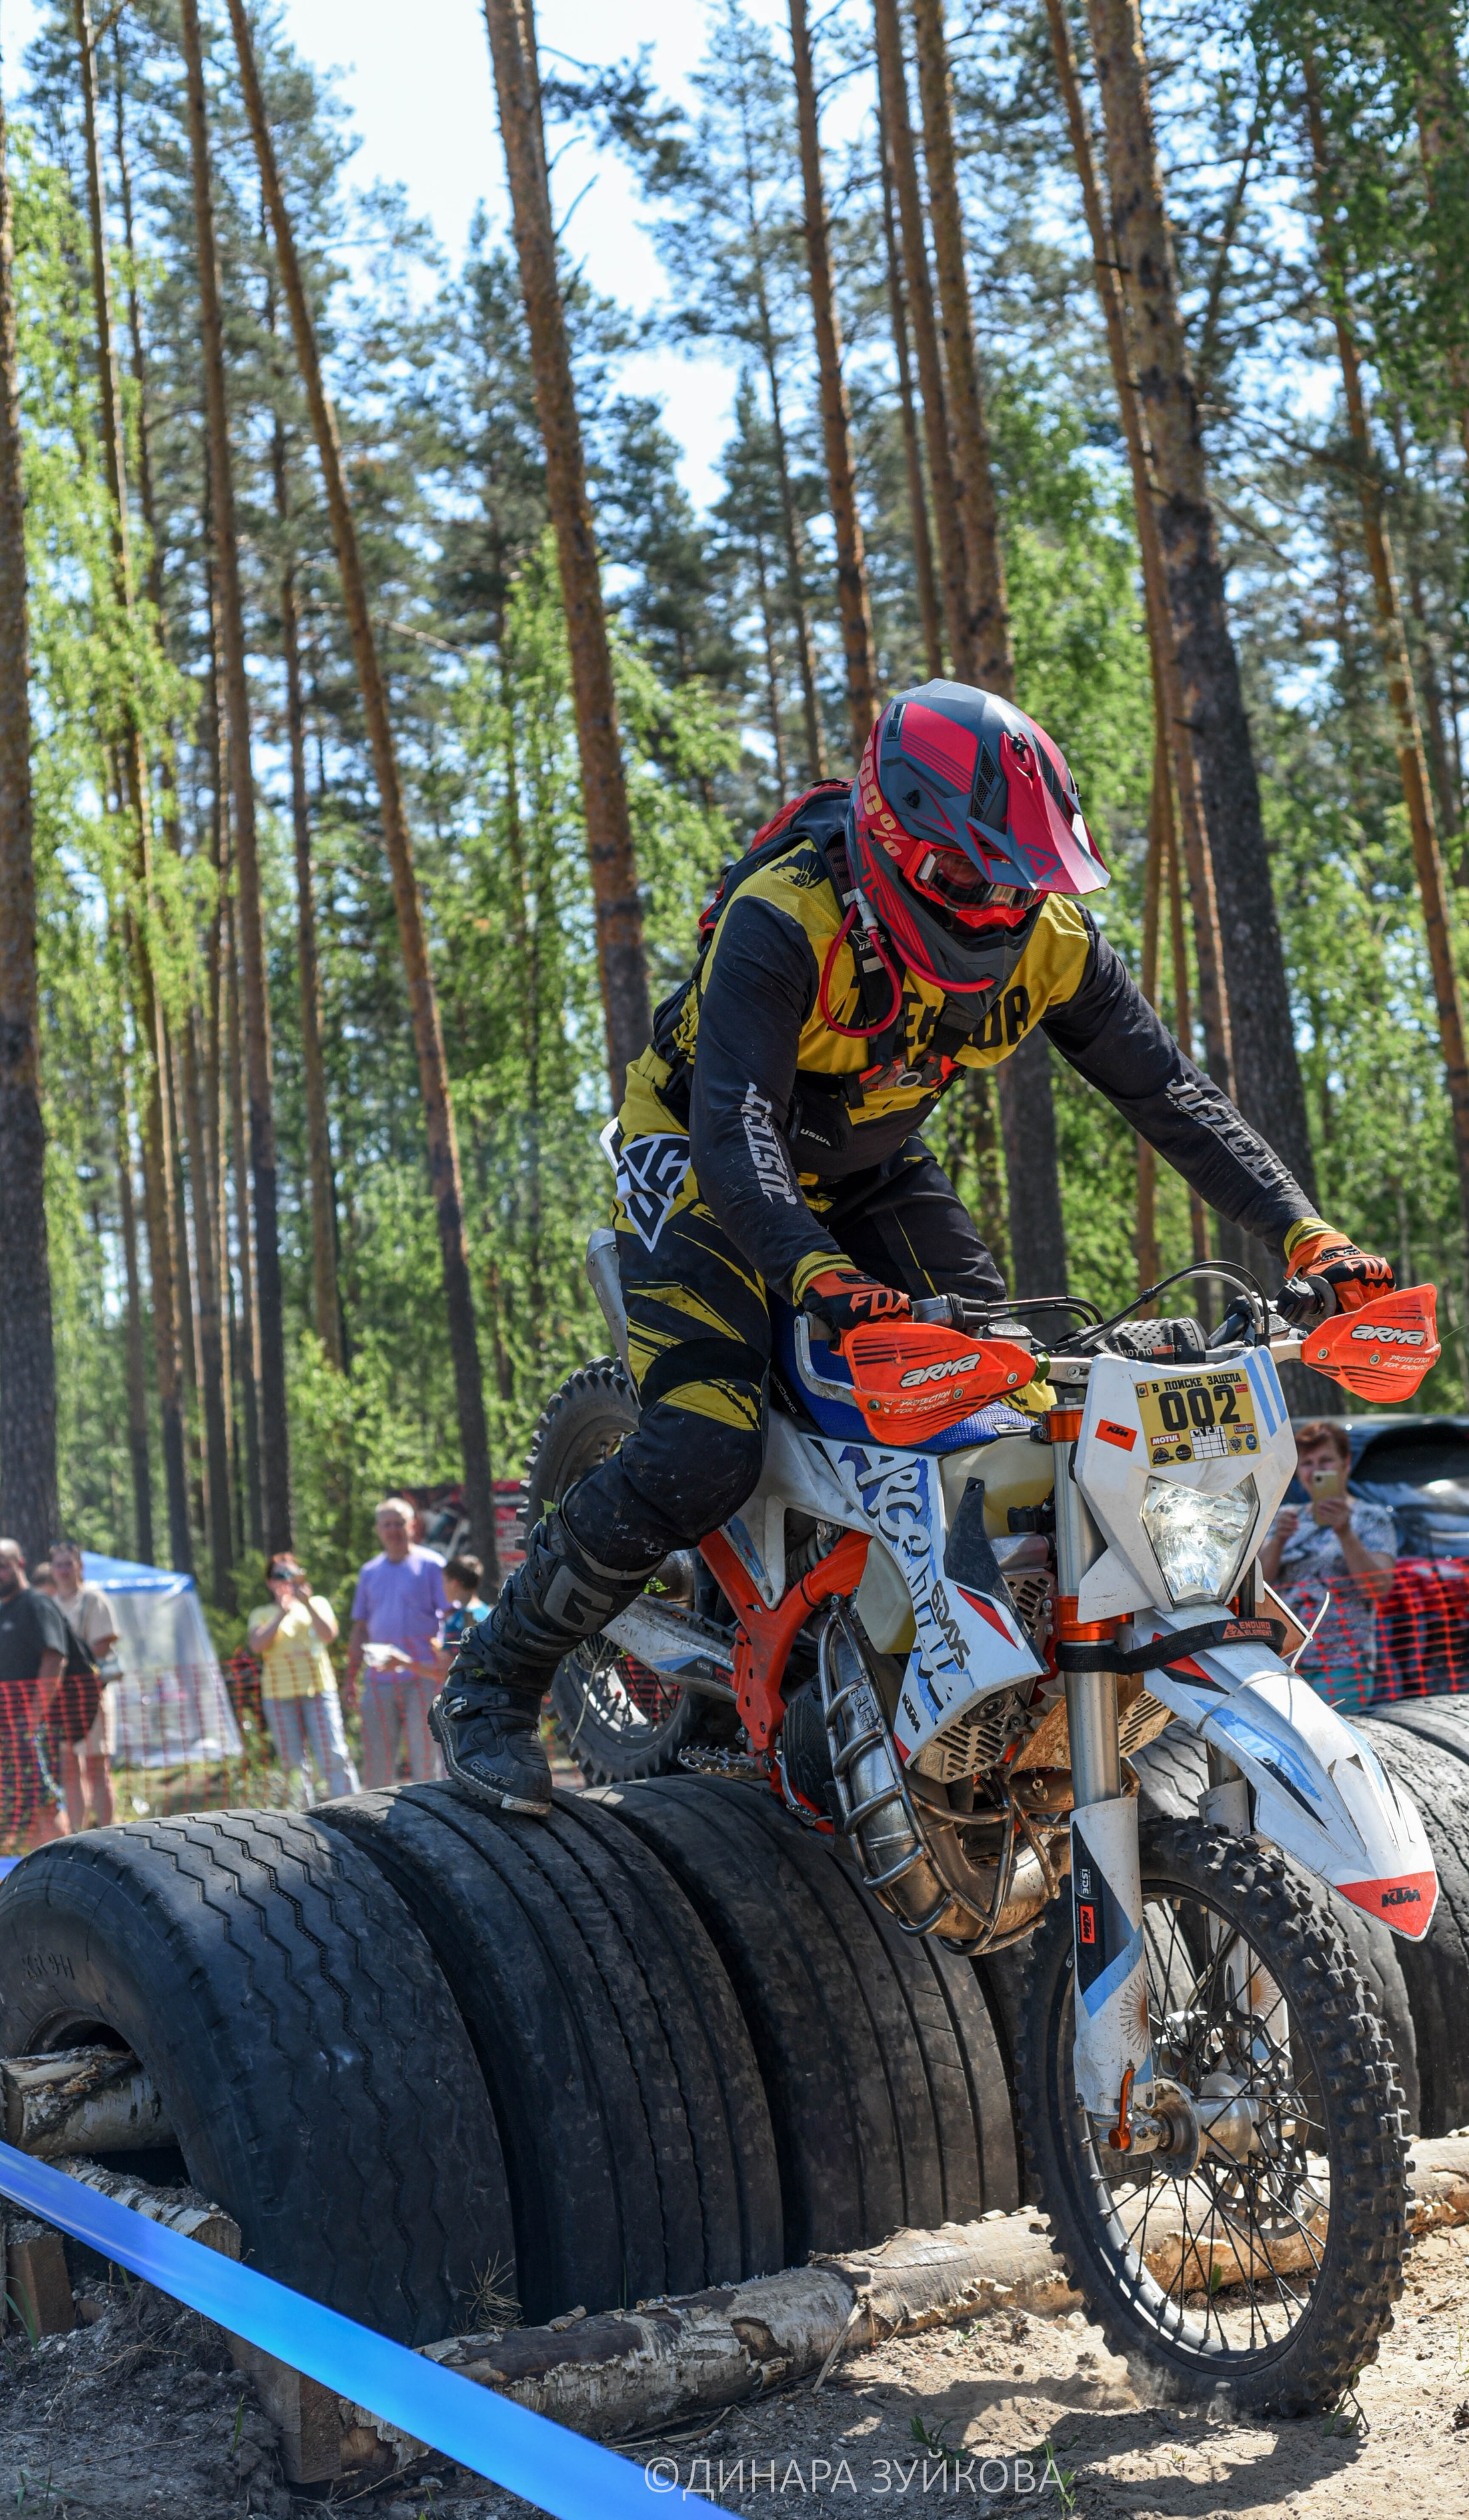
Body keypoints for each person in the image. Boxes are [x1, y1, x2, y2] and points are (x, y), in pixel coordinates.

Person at [433, 679, 1399, 1813]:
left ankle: (938, 1660)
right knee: (705, 1439)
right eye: (971, 879)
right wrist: (815, 1271)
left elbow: (1170, 1094)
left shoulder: (1051, 939)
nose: (998, 907)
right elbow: (736, 1123)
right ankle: (493, 1683)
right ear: (895, 845)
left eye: (1022, 880)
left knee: (1007, 1396)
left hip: (867, 1166)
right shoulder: (785, 917)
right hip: (700, 1158)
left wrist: (1305, 1230)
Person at [1259, 1420, 1397, 1708]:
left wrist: (1345, 1533)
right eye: (1307, 1463)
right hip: (1283, 1661)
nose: (1316, 1470)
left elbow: (1378, 1588)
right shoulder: (1284, 1518)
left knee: (1331, 1736)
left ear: (1346, 1463)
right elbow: (1258, 1589)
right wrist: (1278, 1541)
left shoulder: (1370, 1518)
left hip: (1344, 1663)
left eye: (1325, 1461)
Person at [348, 1498, 450, 1786]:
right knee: (376, 1762)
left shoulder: (433, 1565)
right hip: (379, 1679)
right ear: (378, 1530)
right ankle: (374, 1813)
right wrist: (350, 1678)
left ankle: (432, 1812)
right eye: (387, 1525)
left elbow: (452, 1618)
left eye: (399, 1523)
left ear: (412, 1526)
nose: (393, 1530)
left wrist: (447, 1663)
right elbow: (360, 1628)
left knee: (426, 1760)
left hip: (424, 1677)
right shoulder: (369, 1572)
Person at [247, 1554, 359, 1804]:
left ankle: (352, 1808)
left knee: (334, 1755)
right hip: (279, 1697)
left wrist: (306, 1603)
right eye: (279, 1575)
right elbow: (256, 1645)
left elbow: (329, 1635)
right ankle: (300, 1816)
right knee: (293, 1765)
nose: (286, 1580)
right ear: (269, 1582)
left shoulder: (317, 1603)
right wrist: (281, 1613)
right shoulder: (262, 1613)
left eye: (291, 1574)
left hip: (319, 1690)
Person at [0, 1540, 69, 1850]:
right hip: (8, 1730)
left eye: (3, 1566)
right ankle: (38, 1871)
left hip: (34, 1728)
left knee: (46, 1805)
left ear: (20, 1564)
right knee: (26, 1810)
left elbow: (55, 1658)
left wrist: (33, 1718)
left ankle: (65, 1867)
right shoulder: (4, 1609)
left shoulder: (36, 1604)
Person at [47, 1542, 119, 1830]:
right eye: (59, 1565)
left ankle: (108, 1831)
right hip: (64, 1699)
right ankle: (77, 1834)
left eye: (68, 1564)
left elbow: (104, 1642)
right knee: (69, 1768)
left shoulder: (93, 1599)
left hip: (93, 1694)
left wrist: (72, 1661)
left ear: (79, 1566)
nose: (64, 1570)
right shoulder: (51, 1605)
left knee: (97, 1767)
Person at [437, 1555, 491, 1660]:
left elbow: (446, 1664)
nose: (443, 1587)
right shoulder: (489, 1612)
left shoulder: (456, 1621)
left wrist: (406, 1662)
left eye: (444, 1581)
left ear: (454, 1584)